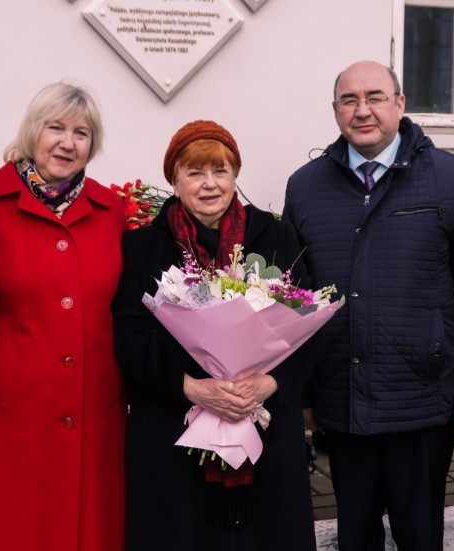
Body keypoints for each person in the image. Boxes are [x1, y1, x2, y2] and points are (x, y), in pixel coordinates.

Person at [282, 60, 454, 550]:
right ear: (335, 111)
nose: (363, 110)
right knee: (355, 534)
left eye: (375, 97)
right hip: (341, 396)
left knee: (420, 534)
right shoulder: (306, 186)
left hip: (422, 398)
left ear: (400, 104)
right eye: (349, 100)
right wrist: (307, 395)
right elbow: (297, 302)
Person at [111, 120, 317, 551]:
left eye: (220, 171)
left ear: (235, 175)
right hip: (175, 433)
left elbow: (308, 333)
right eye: (195, 173)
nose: (210, 185)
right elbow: (130, 338)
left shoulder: (277, 237)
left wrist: (269, 385)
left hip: (264, 429)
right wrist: (190, 387)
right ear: (174, 179)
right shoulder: (143, 247)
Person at [0, 82, 126, 551]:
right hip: (14, 419)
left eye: (81, 132)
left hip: (96, 413)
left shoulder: (110, 210)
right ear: (33, 130)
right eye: (55, 128)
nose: (67, 143)